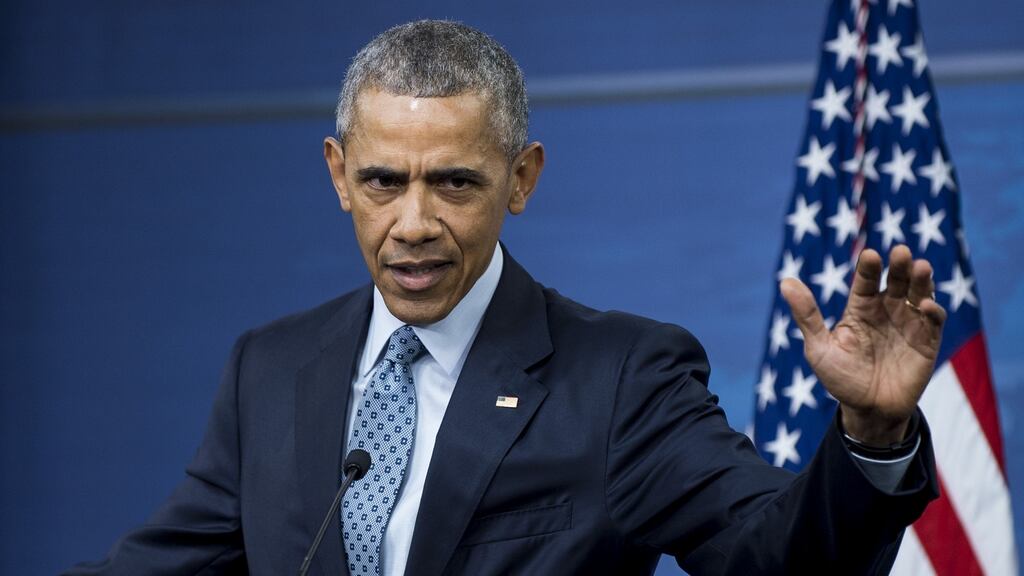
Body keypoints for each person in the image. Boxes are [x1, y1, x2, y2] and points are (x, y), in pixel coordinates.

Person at [66, 20, 945, 576]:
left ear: (521, 178)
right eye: (382, 182)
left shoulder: (620, 379)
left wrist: (871, 437)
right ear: (338, 175)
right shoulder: (271, 368)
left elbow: (777, 556)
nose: (414, 223)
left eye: (454, 182)